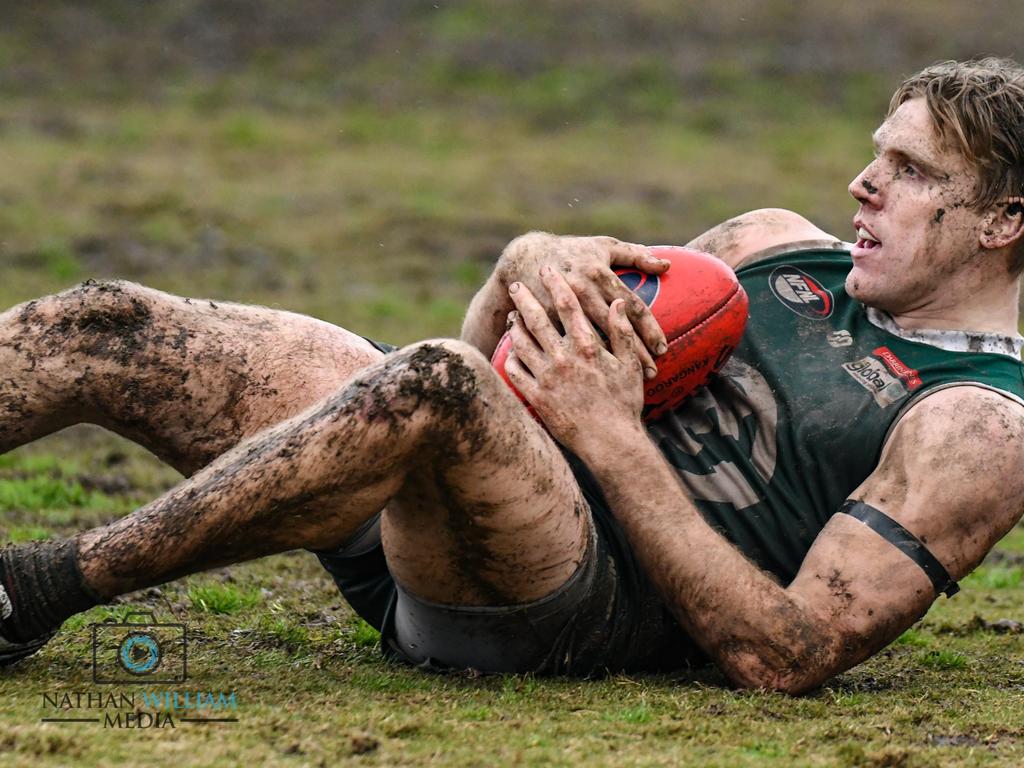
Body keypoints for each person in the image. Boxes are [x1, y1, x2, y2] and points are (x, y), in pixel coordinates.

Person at [2, 59, 1023, 694]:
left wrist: (610, 437)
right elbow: (502, 364)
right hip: (455, 509)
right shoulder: (769, 247)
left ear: (1002, 223)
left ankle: (33, 591)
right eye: (876, 156)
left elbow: (785, 655)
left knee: (432, 386)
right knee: (109, 322)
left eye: (912, 173)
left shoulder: (978, 426)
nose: (863, 183)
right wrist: (524, 263)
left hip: (564, 605)